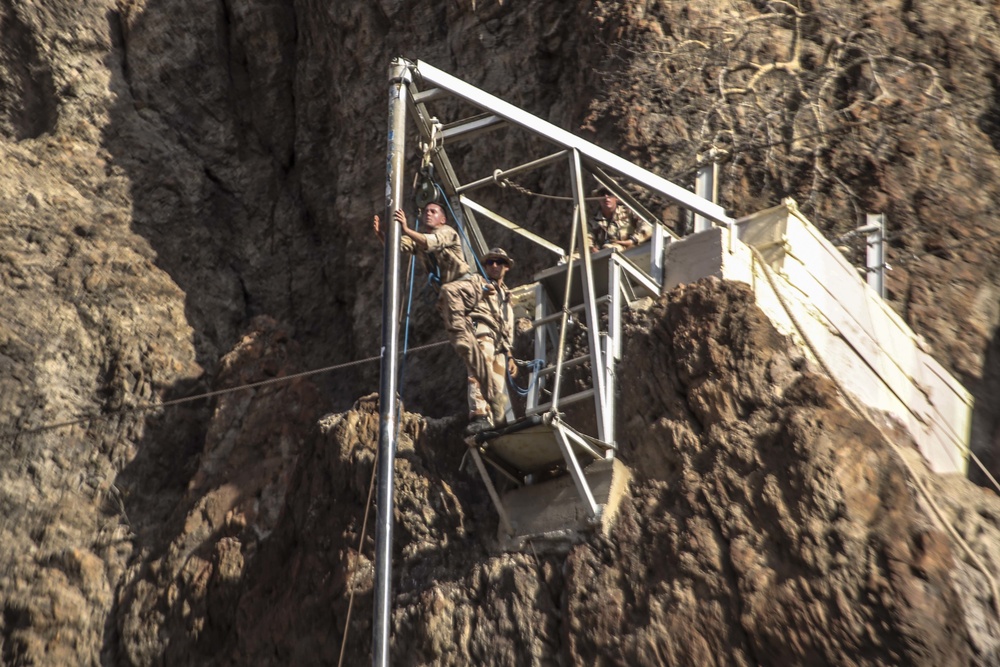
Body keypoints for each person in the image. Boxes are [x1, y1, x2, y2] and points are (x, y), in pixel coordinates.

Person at [445, 247, 517, 435]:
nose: (494, 265)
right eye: (489, 262)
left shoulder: (507, 296)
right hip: (482, 332)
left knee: (497, 383)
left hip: (500, 342)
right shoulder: (477, 281)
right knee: (478, 373)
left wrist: (509, 354)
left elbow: (508, 325)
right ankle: (478, 415)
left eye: (499, 262)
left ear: (506, 267)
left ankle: (492, 421)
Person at [589, 187, 652, 253]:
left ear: (616, 197)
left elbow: (649, 225)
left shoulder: (628, 212)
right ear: (598, 198)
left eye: (609, 193)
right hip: (602, 252)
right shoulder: (593, 221)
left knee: (609, 249)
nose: (606, 197)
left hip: (627, 250)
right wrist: (592, 249)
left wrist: (632, 240)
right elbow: (587, 239)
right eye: (602, 194)